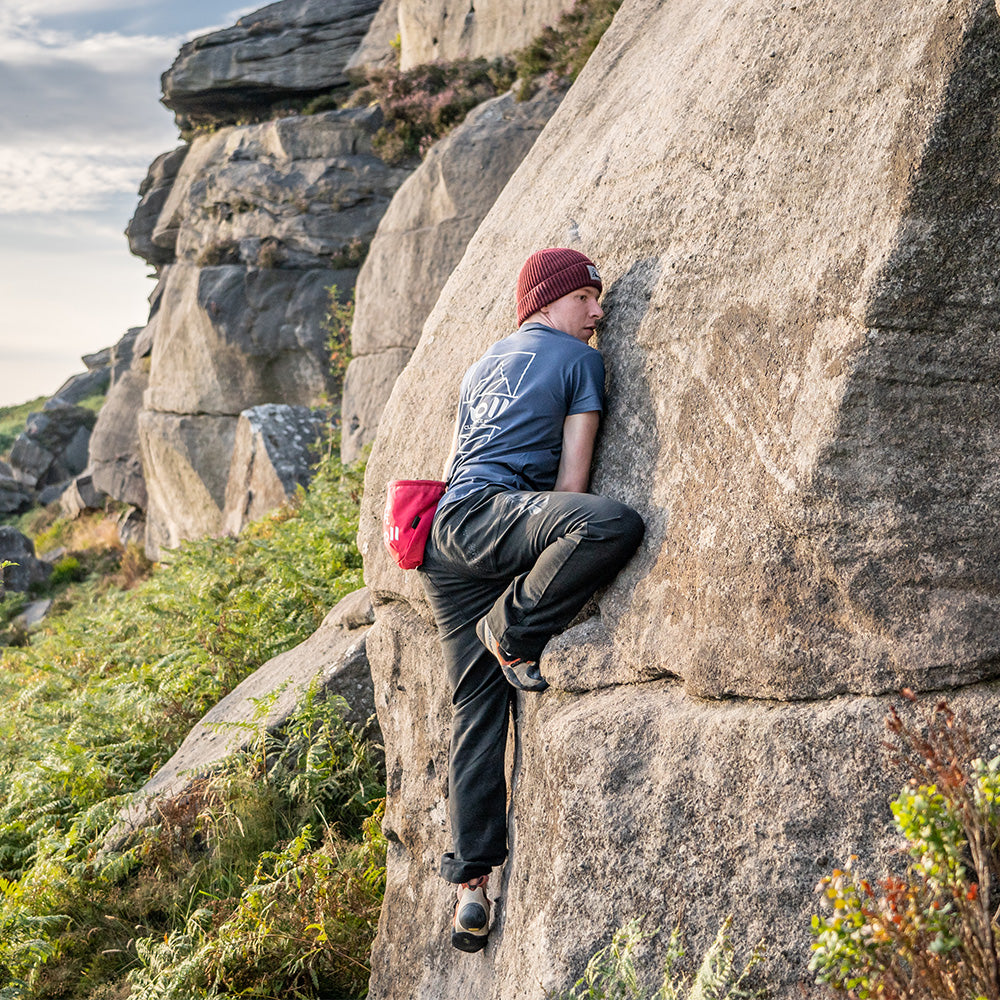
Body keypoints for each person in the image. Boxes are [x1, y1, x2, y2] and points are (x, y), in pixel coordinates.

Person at [419, 247, 645, 952]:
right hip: (496, 517)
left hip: (444, 537)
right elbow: (573, 490)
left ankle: (471, 887)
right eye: (587, 298)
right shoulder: (581, 363)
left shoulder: (482, 363)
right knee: (610, 523)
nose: (599, 313)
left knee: (477, 709)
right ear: (548, 301)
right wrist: (528, 600)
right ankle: (510, 630)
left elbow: (459, 460)